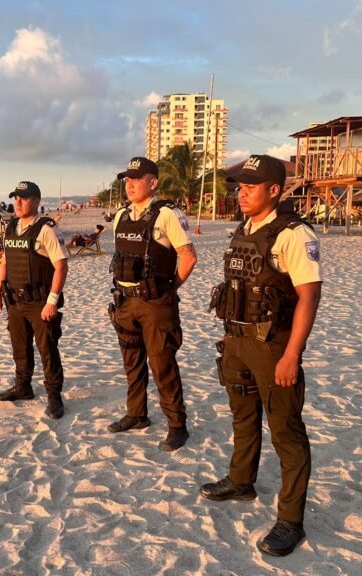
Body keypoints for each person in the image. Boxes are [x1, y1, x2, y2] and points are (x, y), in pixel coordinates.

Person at [201, 154, 322, 557]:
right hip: (236, 341)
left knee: (286, 431)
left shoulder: (293, 234)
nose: (241, 193)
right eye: (239, 186)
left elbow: (309, 296)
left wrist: (292, 356)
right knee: (243, 416)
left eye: (250, 187)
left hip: (273, 347)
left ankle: (291, 520)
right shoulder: (244, 228)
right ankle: (241, 480)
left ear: (274, 189)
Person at [107, 157, 197, 451]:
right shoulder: (121, 215)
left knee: (162, 365)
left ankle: (176, 425)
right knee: (132, 363)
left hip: (156, 303)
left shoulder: (167, 215)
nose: (130, 184)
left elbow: (188, 256)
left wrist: (170, 288)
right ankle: (136, 414)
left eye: (136, 178)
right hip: (124, 301)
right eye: (127, 179)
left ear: (153, 183)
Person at [0, 181, 69, 419]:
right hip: (14, 301)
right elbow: (5, 261)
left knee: (47, 349)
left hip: (40, 302)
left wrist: (52, 301)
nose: (18, 202)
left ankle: (54, 396)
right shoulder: (11, 227)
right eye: (16, 198)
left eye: (23, 198)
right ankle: (23, 387)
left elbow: (61, 266)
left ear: (36, 201)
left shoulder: (46, 229)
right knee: (20, 348)